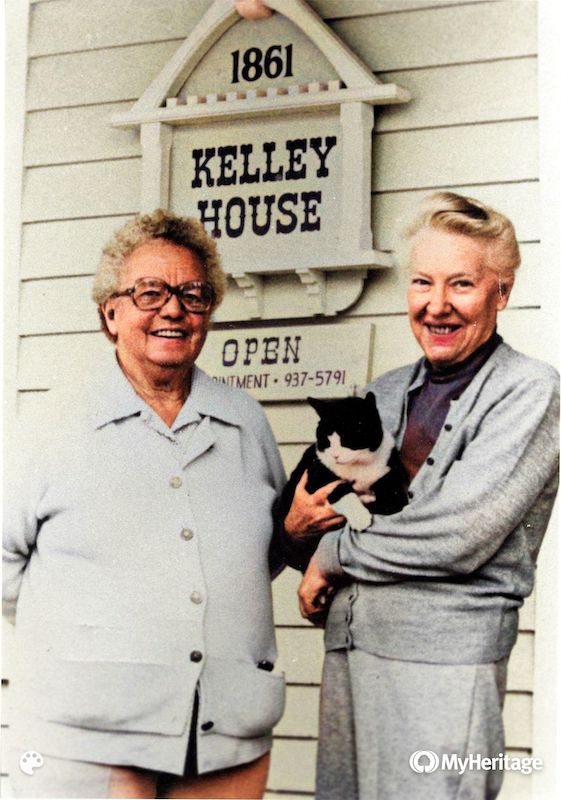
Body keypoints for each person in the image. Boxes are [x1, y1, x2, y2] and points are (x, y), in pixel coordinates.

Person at [279, 192, 559, 799]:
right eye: (422, 283)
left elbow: (457, 536)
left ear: (501, 294)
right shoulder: (384, 392)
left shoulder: (529, 392)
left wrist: (332, 557)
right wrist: (303, 535)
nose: (437, 305)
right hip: (352, 649)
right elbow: (314, 516)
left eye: (461, 284)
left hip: (445, 666)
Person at [3, 210, 286, 799]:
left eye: (192, 293)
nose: (173, 309)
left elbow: (256, 555)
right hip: (91, 734)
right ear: (111, 312)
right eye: (149, 292)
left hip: (227, 733)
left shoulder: (245, 423)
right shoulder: (54, 424)